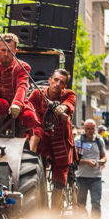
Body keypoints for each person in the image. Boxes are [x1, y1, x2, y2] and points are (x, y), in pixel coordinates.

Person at [28, 68, 77, 210]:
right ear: (50, 80)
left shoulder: (68, 94)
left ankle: (55, 213)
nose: (57, 83)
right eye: (55, 80)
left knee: (59, 181)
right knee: (38, 170)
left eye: (61, 82)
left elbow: (70, 103)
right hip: (44, 139)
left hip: (62, 140)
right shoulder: (37, 94)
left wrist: (63, 108)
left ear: (64, 86)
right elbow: (29, 108)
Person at [73, 119, 106, 218]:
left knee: (96, 203)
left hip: (96, 178)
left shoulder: (99, 141)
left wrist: (102, 161)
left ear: (95, 129)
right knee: (80, 204)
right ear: (84, 128)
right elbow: (74, 159)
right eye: (87, 129)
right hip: (81, 177)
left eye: (92, 129)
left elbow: (104, 156)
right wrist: (86, 162)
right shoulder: (78, 141)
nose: (90, 131)